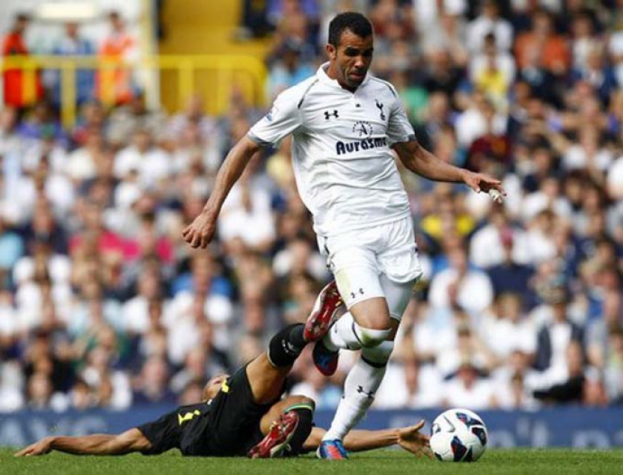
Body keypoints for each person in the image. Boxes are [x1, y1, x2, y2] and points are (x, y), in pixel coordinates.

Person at [182, 12, 504, 460]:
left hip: (395, 226)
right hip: (345, 228)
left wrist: (463, 175)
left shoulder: (384, 94)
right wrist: (210, 211)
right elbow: (245, 148)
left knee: (382, 346)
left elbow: (411, 154)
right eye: (352, 53)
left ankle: (333, 436)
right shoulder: (302, 98)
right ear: (331, 51)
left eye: (367, 53)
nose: (360, 62)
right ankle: (330, 333)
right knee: (372, 327)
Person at [16, 306, 430, 458]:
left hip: (248, 437)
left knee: (301, 405)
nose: (217, 378)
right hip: (213, 434)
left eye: (220, 378)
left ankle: (303, 337)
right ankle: (304, 335)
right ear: (206, 392)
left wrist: (395, 436)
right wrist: (57, 442)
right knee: (281, 392)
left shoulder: (250, 414)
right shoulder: (182, 418)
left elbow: (335, 438)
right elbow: (114, 443)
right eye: (214, 380)